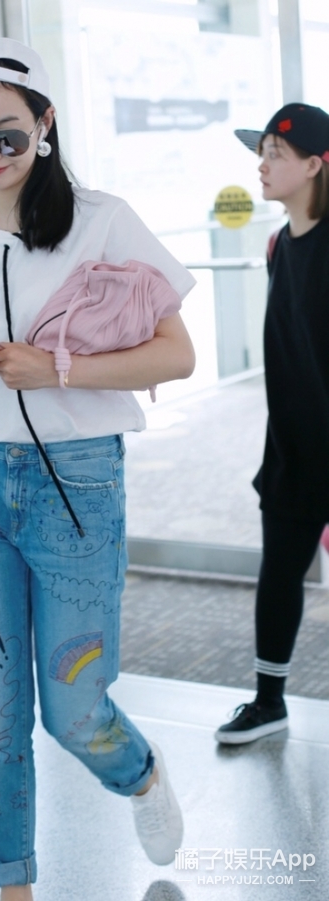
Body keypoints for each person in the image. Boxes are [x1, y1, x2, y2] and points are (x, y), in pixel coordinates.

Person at [0, 38, 196, 899]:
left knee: (74, 709)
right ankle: (12, 887)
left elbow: (177, 355)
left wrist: (55, 367)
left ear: (45, 124)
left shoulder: (103, 221)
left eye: (8, 135)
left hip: (76, 483)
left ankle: (140, 771)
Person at [215, 103, 329, 745]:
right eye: (259, 154)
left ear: (315, 165)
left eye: (275, 155)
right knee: (279, 571)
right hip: (292, 445)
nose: (261, 166)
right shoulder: (278, 244)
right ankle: (267, 702)